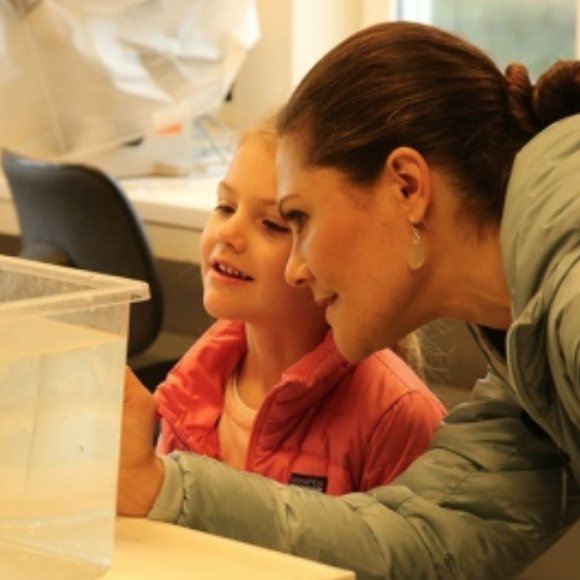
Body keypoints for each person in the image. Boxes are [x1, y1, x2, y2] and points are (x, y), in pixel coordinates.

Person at [118, 21, 580, 580]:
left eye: (297, 219)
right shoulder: (526, 358)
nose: (297, 267)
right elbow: (417, 538)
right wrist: (163, 486)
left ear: (407, 186)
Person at [144, 117, 446, 494]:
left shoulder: (398, 416)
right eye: (225, 206)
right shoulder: (190, 386)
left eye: (272, 225)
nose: (227, 233)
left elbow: (408, 551)